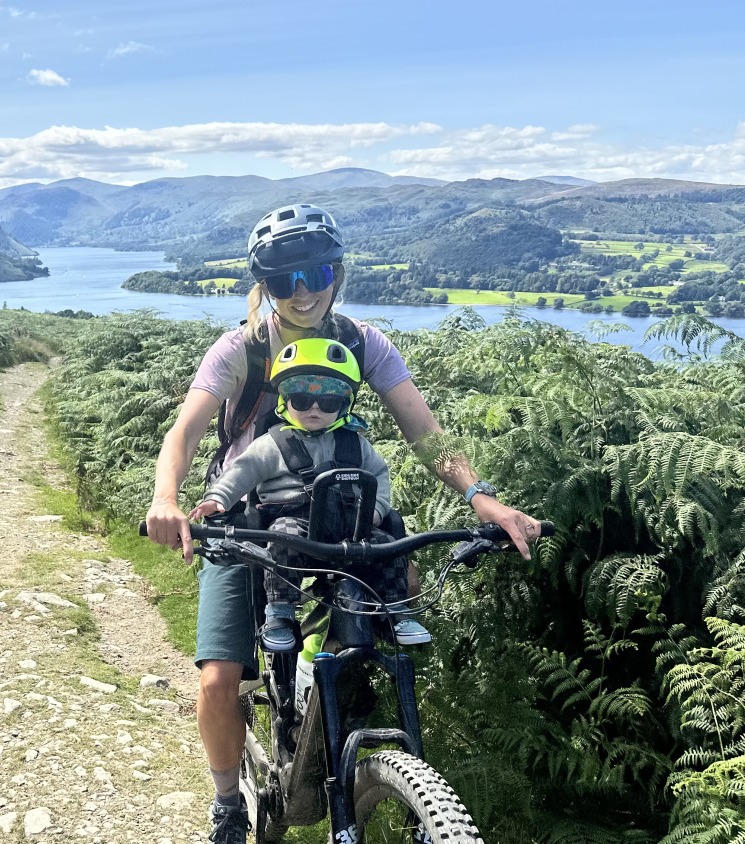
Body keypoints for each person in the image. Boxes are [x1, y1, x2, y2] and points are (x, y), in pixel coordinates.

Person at [143, 203, 542, 843]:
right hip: (251, 523)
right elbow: (185, 431)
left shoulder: (364, 343)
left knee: (389, 596)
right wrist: (168, 497)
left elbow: (425, 432)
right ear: (264, 285)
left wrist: (481, 497)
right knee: (220, 676)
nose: (302, 292)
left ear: (340, 273)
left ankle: (356, 746)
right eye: (283, 281)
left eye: (317, 273)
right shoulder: (240, 350)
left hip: (341, 518)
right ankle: (226, 800)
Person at [186, 336, 427, 652]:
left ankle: (396, 610)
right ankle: (280, 614)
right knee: (282, 539)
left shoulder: (356, 444)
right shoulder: (273, 444)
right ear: (286, 401)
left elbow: (379, 476)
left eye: (328, 403)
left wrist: (376, 511)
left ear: (344, 404)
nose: (315, 408)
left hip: (350, 525)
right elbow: (244, 471)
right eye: (302, 400)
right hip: (294, 523)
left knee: (387, 547)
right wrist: (218, 498)